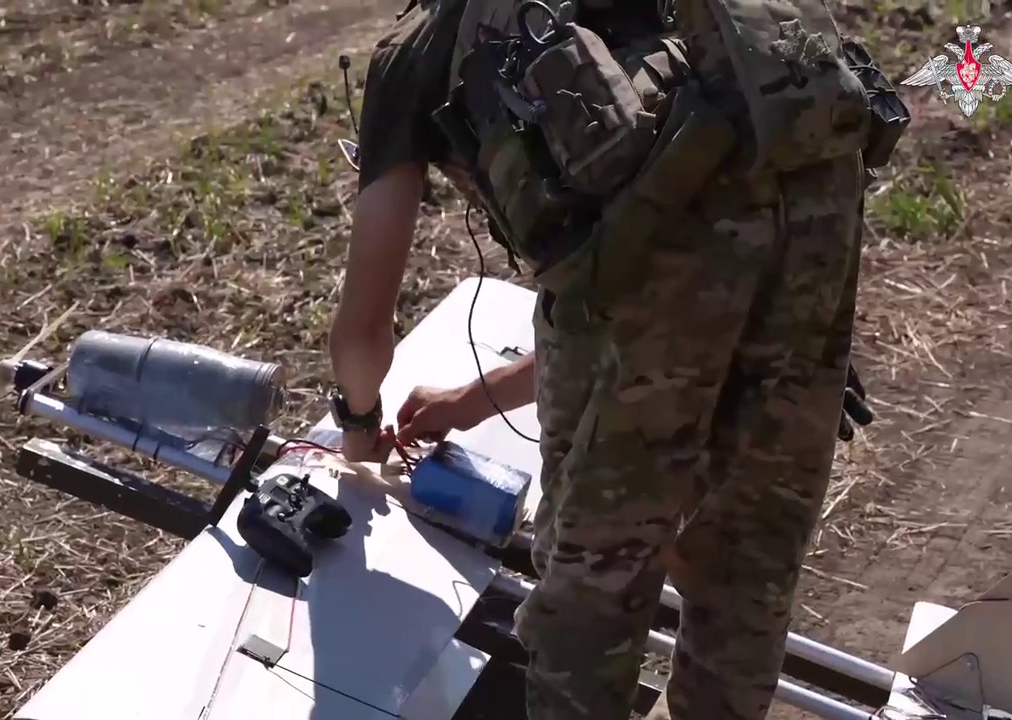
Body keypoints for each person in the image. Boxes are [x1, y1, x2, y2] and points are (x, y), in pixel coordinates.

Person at [325, 0, 881, 718]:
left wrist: (358, 428)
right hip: (817, 207)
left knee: (592, 601)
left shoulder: (420, 45)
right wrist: (474, 399)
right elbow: (664, 270)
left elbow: (364, 333)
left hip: (673, 260)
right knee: (746, 573)